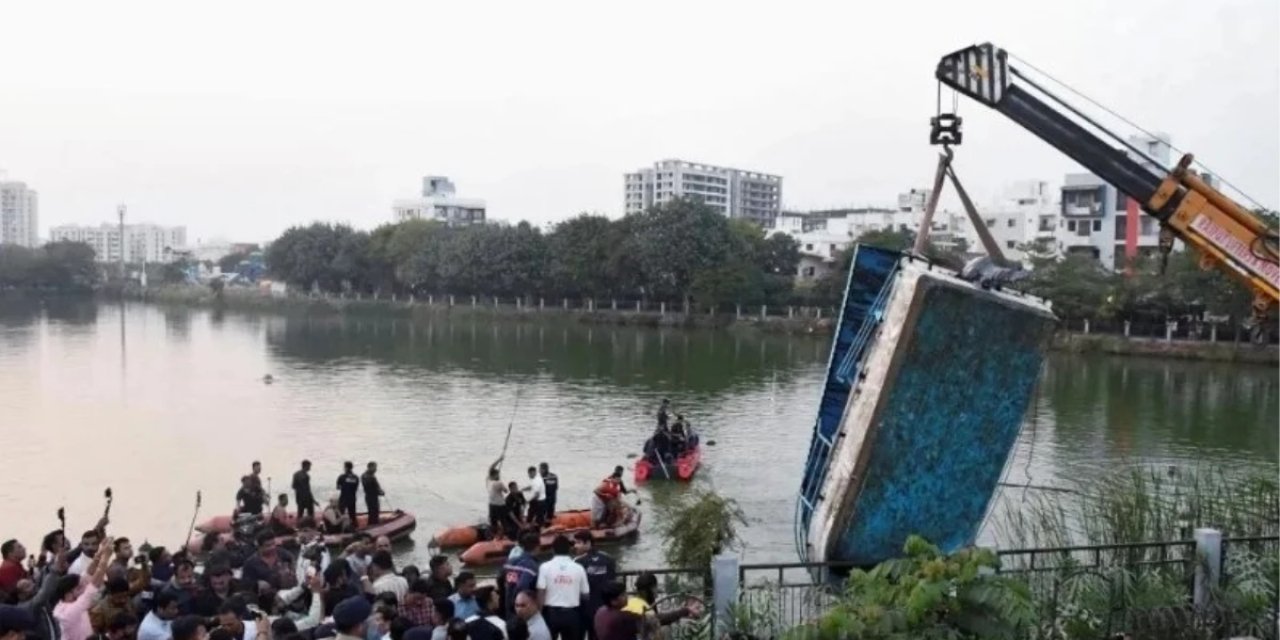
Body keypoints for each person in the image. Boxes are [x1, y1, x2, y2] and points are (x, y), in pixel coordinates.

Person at [54, 536, 113, 640]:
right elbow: (94, 585)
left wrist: (101, 551)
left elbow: (88, 574)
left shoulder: (69, 601)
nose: (83, 587)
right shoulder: (70, 611)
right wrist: (106, 558)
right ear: (68, 593)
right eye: (79, 588)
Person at [535, 536, 587, 640]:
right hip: (572, 614)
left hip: (550, 614)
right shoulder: (579, 568)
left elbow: (541, 592)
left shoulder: (544, 567)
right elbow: (585, 594)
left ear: (552, 549)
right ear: (569, 549)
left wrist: (539, 615)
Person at [572, 532, 615, 640]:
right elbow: (612, 581)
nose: (575, 546)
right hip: (604, 608)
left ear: (588, 543)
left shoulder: (578, 562)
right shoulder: (608, 559)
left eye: (578, 543)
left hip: (584, 609)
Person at [501, 533, 539, 618]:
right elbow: (522, 586)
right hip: (521, 610)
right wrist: (515, 604)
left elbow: (500, 579)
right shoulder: (531, 565)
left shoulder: (510, 561)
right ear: (537, 547)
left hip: (507, 605)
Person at [485, 459, 508, 539]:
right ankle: (504, 535)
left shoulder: (488, 480)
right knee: (503, 521)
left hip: (491, 505)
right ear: (495, 475)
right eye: (498, 475)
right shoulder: (499, 483)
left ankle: (493, 535)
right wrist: (500, 481)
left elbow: (490, 467)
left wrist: (499, 459)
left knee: (493, 521)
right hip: (500, 505)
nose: (499, 476)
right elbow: (506, 491)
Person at [337, 462, 361, 527]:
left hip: (343, 498)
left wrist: (344, 486)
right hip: (352, 498)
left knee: (340, 514)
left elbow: (338, 487)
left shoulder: (341, 477)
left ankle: (339, 528)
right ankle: (355, 527)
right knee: (352, 515)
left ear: (346, 467)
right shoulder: (356, 477)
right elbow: (356, 488)